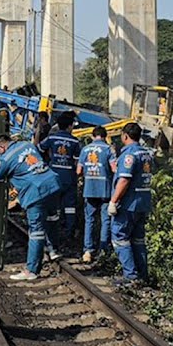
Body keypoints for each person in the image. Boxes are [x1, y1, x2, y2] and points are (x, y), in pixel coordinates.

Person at [0, 132, 63, 280]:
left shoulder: (5, 159)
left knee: (36, 232)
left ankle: (32, 271)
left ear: (2, 147)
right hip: (53, 183)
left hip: (35, 192)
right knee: (52, 218)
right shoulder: (28, 145)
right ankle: (53, 250)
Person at [109, 123, 154, 287]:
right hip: (143, 202)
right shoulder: (146, 154)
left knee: (120, 237)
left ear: (125, 136)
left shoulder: (129, 155)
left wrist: (113, 201)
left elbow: (124, 180)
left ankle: (130, 276)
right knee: (138, 239)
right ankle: (142, 274)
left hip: (129, 203)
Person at [40, 111, 82, 239]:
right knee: (70, 207)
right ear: (69, 126)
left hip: (53, 176)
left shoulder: (52, 138)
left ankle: (53, 234)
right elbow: (77, 161)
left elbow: (40, 148)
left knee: (53, 205)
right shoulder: (75, 141)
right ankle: (69, 232)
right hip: (69, 177)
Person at [77, 125, 115, 262]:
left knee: (89, 220)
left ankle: (88, 251)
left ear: (93, 136)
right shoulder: (108, 149)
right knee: (105, 220)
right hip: (105, 189)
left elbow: (78, 171)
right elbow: (114, 168)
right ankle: (103, 251)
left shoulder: (85, 149)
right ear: (105, 137)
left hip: (89, 189)